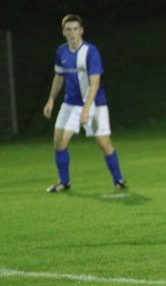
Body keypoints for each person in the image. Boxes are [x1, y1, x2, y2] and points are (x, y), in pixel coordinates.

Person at [42, 14, 126, 193]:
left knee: (103, 143)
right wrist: (51, 99)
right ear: (63, 32)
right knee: (59, 141)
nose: (72, 33)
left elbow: (94, 82)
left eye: (75, 29)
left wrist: (87, 109)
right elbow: (59, 76)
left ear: (81, 31)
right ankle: (64, 182)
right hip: (70, 103)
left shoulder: (91, 51)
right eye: (68, 29)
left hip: (95, 103)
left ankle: (119, 179)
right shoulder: (61, 51)